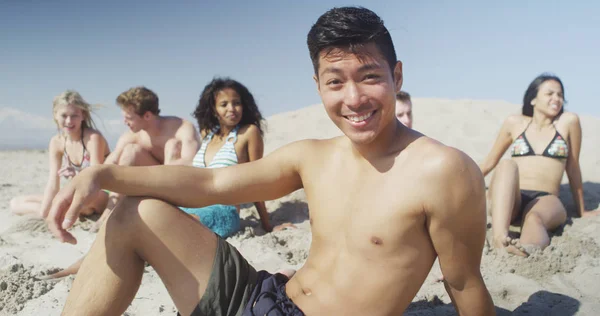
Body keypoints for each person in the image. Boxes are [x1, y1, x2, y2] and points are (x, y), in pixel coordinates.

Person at [47, 6, 494, 316]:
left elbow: (464, 284)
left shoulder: (442, 171)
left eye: (370, 76)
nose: (354, 98)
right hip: (265, 296)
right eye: (335, 81)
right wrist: (102, 173)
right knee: (132, 213)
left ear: (396, 76)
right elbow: (210, 185)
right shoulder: (312, 156)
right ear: (318, 85)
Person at [480, 73, 600, 257]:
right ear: (533, 99)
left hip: (546, 198)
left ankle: (527, 249)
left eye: (560, 95)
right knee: (506, 165)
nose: (556, 99)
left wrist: (582, 210)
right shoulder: (515, 123)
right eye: (550, 93)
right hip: (512, 197)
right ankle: (500, 238)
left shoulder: (568, 122)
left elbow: (573, 166)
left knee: (535, 218)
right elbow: (489, 163)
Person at [183, 77, 290, 236]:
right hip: (194, 203)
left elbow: (258, 180)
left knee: (182, 224)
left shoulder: (248, 133)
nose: (231, 108)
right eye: (224, 104)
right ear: (213, 109)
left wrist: (267, 225)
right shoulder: (207, 134)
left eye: (236, 103)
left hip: (223, 210)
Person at [91, 86, 200, 230]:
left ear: (147, 116)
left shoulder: (181, 128)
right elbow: (110, 163)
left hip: (178, 186)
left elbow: (193, 163)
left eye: (129, 118)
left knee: (172, 145)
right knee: (131, 150)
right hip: (151, 183)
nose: (124, 122)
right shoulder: (133, 135)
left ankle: (167, 211)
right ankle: (110, 210)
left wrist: (167, 166)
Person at [9, 90, 110, 219]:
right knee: (15, 203)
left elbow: (97, 178)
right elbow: (53, 182)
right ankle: (55, 212)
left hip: (101, 193)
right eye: (64, 115)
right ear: (55, 115)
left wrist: (77, 176)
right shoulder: (56, 142)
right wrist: (44, 213)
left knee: (71, 204)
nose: (69, 121)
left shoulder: (92, 138)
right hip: (76, 194)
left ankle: (67, 211)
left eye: (74, 115)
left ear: (83, 116)